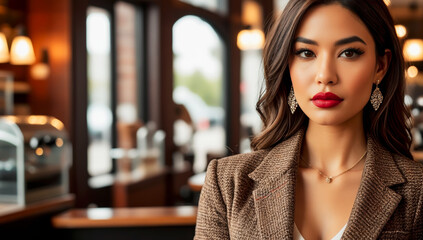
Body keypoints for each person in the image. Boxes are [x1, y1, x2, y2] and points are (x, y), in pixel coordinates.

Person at [194, 0, 423, 239]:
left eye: (348, 53)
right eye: (306, 53)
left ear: (380, 66)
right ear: (287, 64)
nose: (325, 75)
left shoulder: (417, 191)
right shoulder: (228, 182)